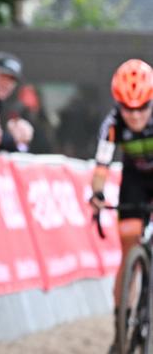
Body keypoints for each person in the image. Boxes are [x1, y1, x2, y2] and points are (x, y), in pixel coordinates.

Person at [89, 59, 153, 354]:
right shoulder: (112, 123)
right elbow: (101, 167)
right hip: (135, 179)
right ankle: (121, 327)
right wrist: (98, 194)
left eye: (142, 107)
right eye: (129, 108)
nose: (136, 115)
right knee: (128, 246)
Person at [0, 51, 34, 152]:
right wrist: (11, 139)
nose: (7, 83)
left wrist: (21, 142)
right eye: (3, 76)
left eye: (12, 79)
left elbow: (22, 150)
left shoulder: (12, 109)